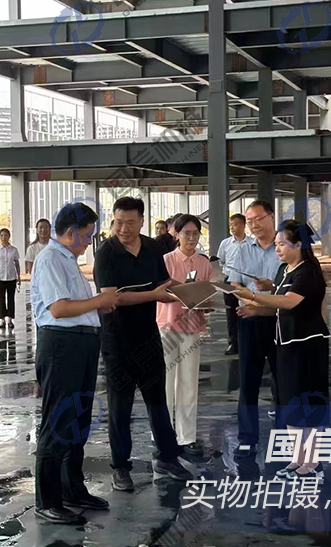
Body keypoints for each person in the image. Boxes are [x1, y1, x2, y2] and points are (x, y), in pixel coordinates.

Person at [94, 197, 193, 491]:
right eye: (118, 222)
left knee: (157, 401)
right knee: (120, 406)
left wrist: (194, 294)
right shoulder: (106, 252)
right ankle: (120, 467)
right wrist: (154, 295)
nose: (123, 229)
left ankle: (167, 458)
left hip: (148, 336)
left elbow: (163, 284)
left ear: (142, 222)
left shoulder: (152, 248)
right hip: (117, 339)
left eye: (130, 223)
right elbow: (112, 298)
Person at [31, 203, 118, 525]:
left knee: (77, 421)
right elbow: (59, 309)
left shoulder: (68, 260)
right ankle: (47, 500)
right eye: (87, 235)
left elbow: (77, 307)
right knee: (58, 420)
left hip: (81, 343)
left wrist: (98, 307)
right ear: (70, 233)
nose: (89, 242)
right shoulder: (50, 259)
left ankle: (72, 490)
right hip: (61, 345)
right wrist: (99, 301)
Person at [233, 220, 329, 482]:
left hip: (307, 346)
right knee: (289, 402)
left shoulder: (308, 272)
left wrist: (252, 296)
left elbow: (289, 302)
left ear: (298, 244)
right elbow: (278, 307)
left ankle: (313, 465)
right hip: (286, 345)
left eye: (281, 244)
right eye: (275, 244)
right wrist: (255, 309)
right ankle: (298, 460)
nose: (276, 249)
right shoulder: (284, 271)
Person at [227, 200, 284, 458]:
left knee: (283, 380)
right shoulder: (242, 250)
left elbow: (294, 282)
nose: (253, 225)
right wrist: (250, 298)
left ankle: (284, 436)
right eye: (249, 221)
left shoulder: (284, 246)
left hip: (280, 320)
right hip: (249, 320)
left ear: (271, 217)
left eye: (258, 219)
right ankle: (247, 438)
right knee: (248, 382)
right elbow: (234, 284)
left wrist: (271, 288)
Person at [156, 214, 214, 458]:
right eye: (186, 233)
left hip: (192, 326)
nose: (191, 238)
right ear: (176, 235)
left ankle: (186, 436)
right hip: (167, 325)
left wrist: (206, 303)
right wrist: (182, 294)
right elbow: (158, 291)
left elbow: (209, 293)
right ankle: (162, 434)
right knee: (166, 382)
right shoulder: (166, 260)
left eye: (195, 233)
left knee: (189, 382)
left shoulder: (203, 263)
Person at [217, 213, 246, 356]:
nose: (232, 227)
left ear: (243, 225)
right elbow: (221, 260)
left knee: (246, 310)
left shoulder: (251, 243)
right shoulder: (225, 243)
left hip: (245, 281)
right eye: (230, 225)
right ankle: (233, 344)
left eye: (235, 224)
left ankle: (246, 342)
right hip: (229, 280)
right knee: (231, 312)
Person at [0, 228, 21, 330]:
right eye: (2, 235)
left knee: (11, 299)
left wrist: (18, 277)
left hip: (11, 278)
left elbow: (17, 264)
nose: (4, 237)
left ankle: (10, 319)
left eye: (6, 235)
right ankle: (2, 320)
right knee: (1, 300)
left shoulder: (14, 250)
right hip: (0, 278)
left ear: (9, 236)